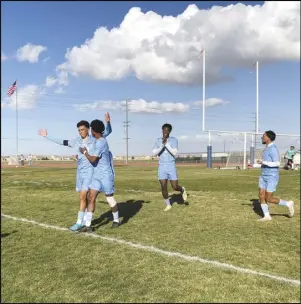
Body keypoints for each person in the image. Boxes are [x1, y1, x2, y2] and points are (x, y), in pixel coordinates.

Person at [38, 113, 112, 231]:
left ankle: (80, 222)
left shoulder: (94, 139)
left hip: (90, 172)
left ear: (88, 129)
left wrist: (108, 122)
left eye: (82, 129)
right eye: (79, 130)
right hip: (80, 173)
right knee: (83, 198)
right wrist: (47, 136)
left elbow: (107, 132)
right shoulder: (77, 141)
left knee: (84, 196)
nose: (80, 132)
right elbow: (63, 141)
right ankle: (84, 222)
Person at [78, 119, 119, 232]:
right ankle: (88, 225)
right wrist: (109, 122)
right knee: (91, 197)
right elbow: (108, 131)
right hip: (97, 175)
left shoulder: (101, 142)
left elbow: (93, 159)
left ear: (94, 130)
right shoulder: (97, 138)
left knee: (110, 198)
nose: (90, 130)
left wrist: (84, 152)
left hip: (106, 175)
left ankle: (116, 220)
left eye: (91, 128)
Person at [256, 130, 294, 221]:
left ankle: (288, 203)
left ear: (268, 138)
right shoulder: (266, 148)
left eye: (263, 136)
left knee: (269, 198)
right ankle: (267, 216)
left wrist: (263, 162)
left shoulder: (273, 148)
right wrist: (260, 164)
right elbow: (267, 162)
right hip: (263, 175)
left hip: (272, 176)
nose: (262, 137)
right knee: (261, 196)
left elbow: (277, 163)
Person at [152, 123, 187, 211]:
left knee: (174, 187)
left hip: (171, 165)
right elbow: (154, 153)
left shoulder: (174, 140)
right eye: (164, 130)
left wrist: (166, 145)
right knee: (163, 186)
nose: (165, 132)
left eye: (167, 130)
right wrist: (162, 145)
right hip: (162, 166)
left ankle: (182, 189)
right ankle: (168, 204)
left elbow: (174, 153)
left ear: (169, 131)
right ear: (162, 130)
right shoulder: (158, 140)